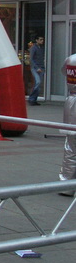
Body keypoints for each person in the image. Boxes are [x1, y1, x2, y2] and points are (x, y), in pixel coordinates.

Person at [60, 53, 76, 196]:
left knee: (71, 145)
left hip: (71, 101)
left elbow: (63, 71)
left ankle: (66, 184)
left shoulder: (71, 59)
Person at [28, 35, 45, 105]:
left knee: (38, 84)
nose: (42, 41)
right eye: (40, 39)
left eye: (42, 40)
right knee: (38, 82)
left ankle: (34, 99)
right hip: (35, 68)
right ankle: (31, 98)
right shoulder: (33, 48)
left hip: (41, 67)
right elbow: (31, 59)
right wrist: (37, 67)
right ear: (36, 40)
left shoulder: (42, 48)